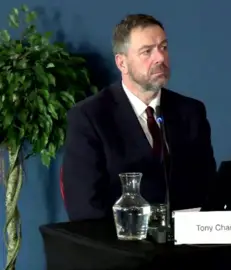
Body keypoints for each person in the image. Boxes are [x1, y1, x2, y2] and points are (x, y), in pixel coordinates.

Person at [62, 14, 217, 221]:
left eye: (163, 47)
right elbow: (85, 209)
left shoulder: (191, 111)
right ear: (122, 63)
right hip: (120, 245)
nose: (160, 58)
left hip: (188, 245)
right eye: (147, 51)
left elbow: (207, 189)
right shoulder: (89, 118)